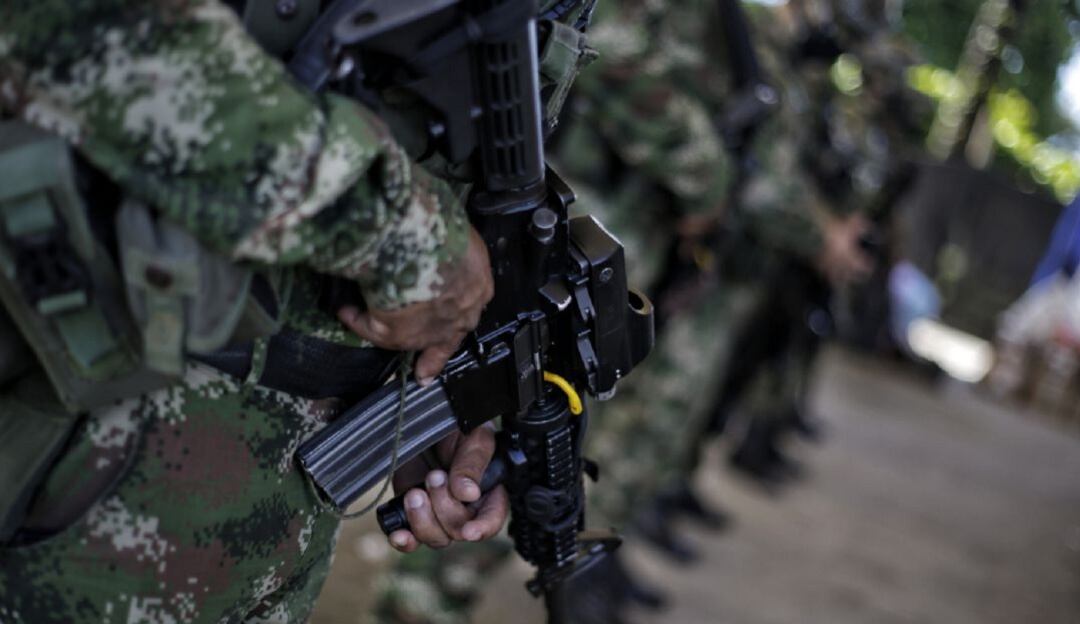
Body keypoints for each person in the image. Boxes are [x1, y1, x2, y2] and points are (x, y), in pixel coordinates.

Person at [0, 0, 593, 620]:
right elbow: (78, 28)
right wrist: (401, 233)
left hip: (284, 470)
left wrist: (419, 393)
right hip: (108, 407)